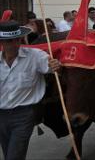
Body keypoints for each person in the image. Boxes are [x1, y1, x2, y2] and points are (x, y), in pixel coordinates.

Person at [0, 20, 61, 160]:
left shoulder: (34, 55)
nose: (14, 44)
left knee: (14, 156)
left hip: (23, 115)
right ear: (2, 42)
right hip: (1, 115)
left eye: (17, 40)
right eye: (9, 41)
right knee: (7, 151)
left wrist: (55, 64)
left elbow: (51, 66)